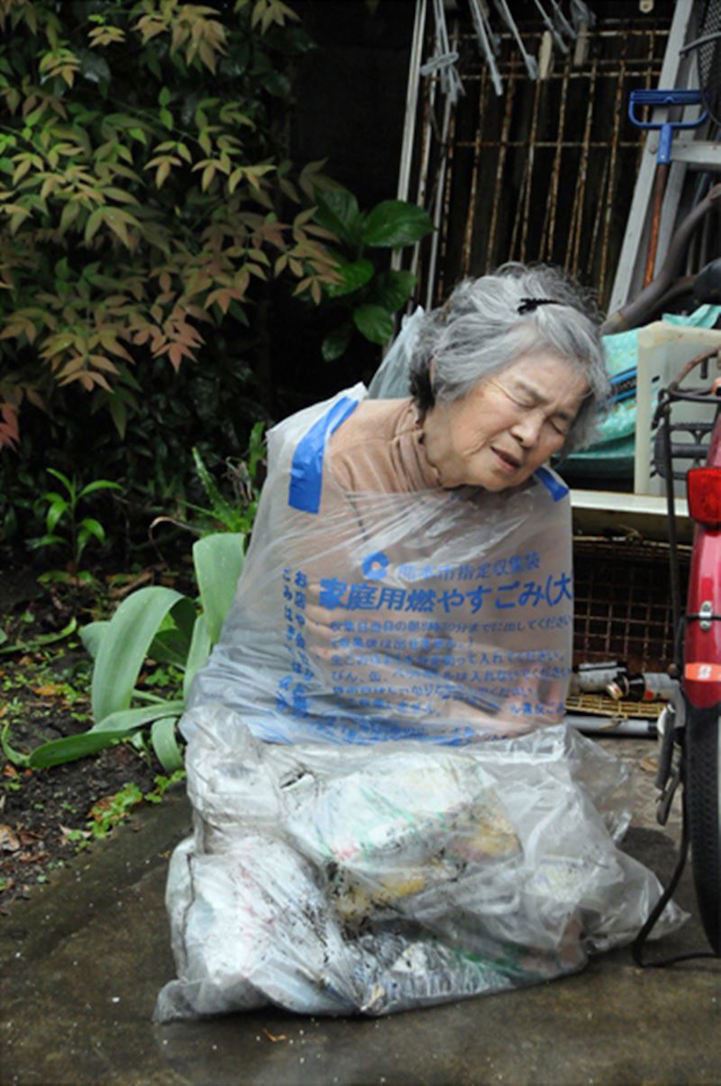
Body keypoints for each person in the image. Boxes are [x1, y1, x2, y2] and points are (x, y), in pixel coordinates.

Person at [155, 264, 684, 1023]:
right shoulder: (322, 458)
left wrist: (478, 725)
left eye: (559, 421)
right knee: (241, 962)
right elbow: (330, 657)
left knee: (557, 917)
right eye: (523, 400)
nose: (533, 437)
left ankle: (368, 927)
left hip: (448, 747)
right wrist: (469, 716)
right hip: (293, 739)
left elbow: (524, 688)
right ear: (445, 369)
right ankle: (323, 898)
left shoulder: (535, 505)